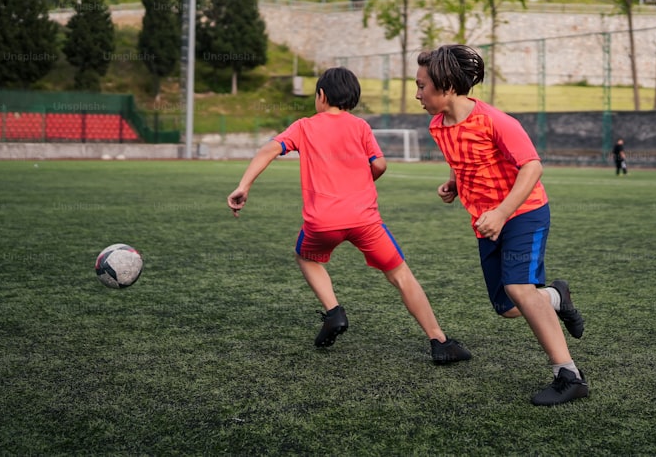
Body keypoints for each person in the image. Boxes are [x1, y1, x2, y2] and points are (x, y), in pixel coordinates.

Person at [226, 66, 471, 365]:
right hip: (365, 221)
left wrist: (244, 186)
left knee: (305, 257)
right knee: (400, 275)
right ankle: (439, 341)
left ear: (321, 95)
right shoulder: (360, 127)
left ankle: (334, 312)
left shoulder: (304, 126)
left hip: (322, 222)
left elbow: (268, 150)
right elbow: (380, 164)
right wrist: (359, 182)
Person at [415, 44, 588, 406]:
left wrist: (503, 212)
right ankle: (557, 296)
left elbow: (532, 167)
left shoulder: (497, 121)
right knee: (507, 306)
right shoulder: (437, 125)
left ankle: (569, 374)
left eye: (421, 86)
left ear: (446, 86)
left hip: (524, 212)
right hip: (486, 222)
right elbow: (463, 160)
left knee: (520, 289)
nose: (417, 94)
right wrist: (454, 183)